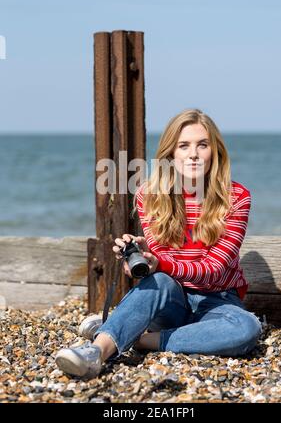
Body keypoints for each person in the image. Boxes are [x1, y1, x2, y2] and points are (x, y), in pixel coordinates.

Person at [55, 108, 262, 380]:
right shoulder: (150, 196)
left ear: (216, 152)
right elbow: (159, 269)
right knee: (161, 282)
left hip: (217, 300)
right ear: (171, 154)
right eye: (183, 145)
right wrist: (137, 260)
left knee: (246, 329)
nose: (193, 154)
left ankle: (135, 338)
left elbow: (215, 267)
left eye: (202, 145)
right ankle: (96, 352)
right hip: (169, 299)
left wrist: (159, 263)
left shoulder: (236, 197)